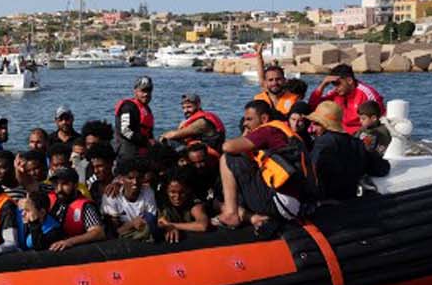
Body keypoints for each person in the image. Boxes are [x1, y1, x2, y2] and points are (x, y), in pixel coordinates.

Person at [216, 100, 309, 232]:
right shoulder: (285, 132)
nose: (245, 123)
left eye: (249, 119)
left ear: (264, 118)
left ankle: (231, 214)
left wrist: (244, 136)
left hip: (280, 204)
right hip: (295, 204)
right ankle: (252, 217)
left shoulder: (267, 130)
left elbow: (228, 147)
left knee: (227, 158)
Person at [307, 101, 388, 201]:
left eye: (316, 123)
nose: (312, 128)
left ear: (326, 124)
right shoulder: (357, 144)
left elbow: (311, 171)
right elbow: (380, 168)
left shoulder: (322, 143)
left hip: (325, 204)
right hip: (349, 203)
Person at [310, 65, 385, 135]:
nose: (336, 88)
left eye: (338, 84)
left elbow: (380, 117)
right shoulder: (335, 93)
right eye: (333, 84)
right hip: (340, 134)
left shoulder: (366, 93)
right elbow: (312, 107)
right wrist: (322, 85)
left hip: (360, 135)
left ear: (349, 80)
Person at [47, 167, 104, 251]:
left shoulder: (86, 206)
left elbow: (98, 232)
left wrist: (70, 242)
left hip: (76, 252)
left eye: (65, 184)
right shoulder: (51, 201)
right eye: (56, 184)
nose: (59, 189)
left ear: (75, 185)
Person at [101, 160, 157, 241]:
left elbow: (150, 221)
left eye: (139, 178)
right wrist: (132, 223)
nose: (135, 182)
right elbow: (113, 232)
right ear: (121, 179)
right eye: (130, 178)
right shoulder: (111, 195)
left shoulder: (148, 192)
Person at [160, 93, 225, 153]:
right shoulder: (198, 119)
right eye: (183, 108)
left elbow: (174, 135)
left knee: (166, 142)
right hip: (203, 152)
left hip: (209, 156)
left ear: (198, 105)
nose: (185, 111)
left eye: (189, 107)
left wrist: (162, 137)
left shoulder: (202, 122)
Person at [156, 175, 210, 243]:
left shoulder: (194, 203)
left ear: (187, 191)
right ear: (166, 191)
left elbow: (202, 226)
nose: (177, 197)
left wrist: (171, 225)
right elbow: (159, 222)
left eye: (182, 192)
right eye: (173, 192)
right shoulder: (162, 204)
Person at [113, 76, 155, 164]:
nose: (146, 94)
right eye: (143, 91)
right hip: (128, 155)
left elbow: (148, 132)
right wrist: (145, 141)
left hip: (143, 153)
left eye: (149, 91)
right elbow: (125, 131)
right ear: (135, 91)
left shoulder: (146, 108)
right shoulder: (128, 107)